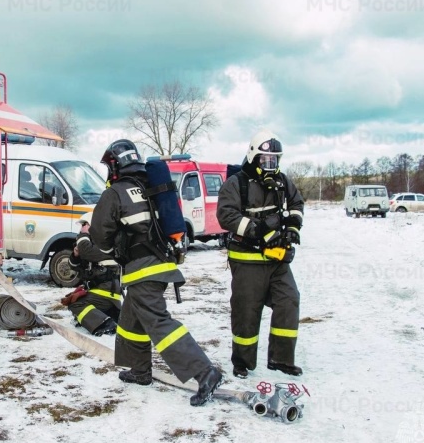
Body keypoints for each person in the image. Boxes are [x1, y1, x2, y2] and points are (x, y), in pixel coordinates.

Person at [90, 139, 223, 407]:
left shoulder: (115, 193)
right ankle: (140, 371)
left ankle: (205, 372)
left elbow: (100, 238)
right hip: (161, 264)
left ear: (114, 165)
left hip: (142, 270)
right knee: (132, 321)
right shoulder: (150, 187)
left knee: (160, 323)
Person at [216, 129, 305, 379]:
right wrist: (260, 230)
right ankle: (242, 362)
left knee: (289, 301)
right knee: (247, 310)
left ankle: (281, 359)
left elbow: (297, 204)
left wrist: (292, 228)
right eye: (266, 160)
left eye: (275, 160)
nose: (271, 165)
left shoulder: (283, 181)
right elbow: (226, 215)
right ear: (254, 157)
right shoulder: (236, 184)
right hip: (247, 260)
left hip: (277, 260)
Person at [65, 212, 122, 336]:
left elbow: (86, 251)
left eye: (85, 225)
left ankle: (105, 325)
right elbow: (73, 266)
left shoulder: (106, 244)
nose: (82, 228)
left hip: (106, 292)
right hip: (101, 291)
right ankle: (108, 315)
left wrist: (84, 235)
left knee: (76, 304)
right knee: (76, 305)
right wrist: (75, 255)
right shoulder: (91, 246)